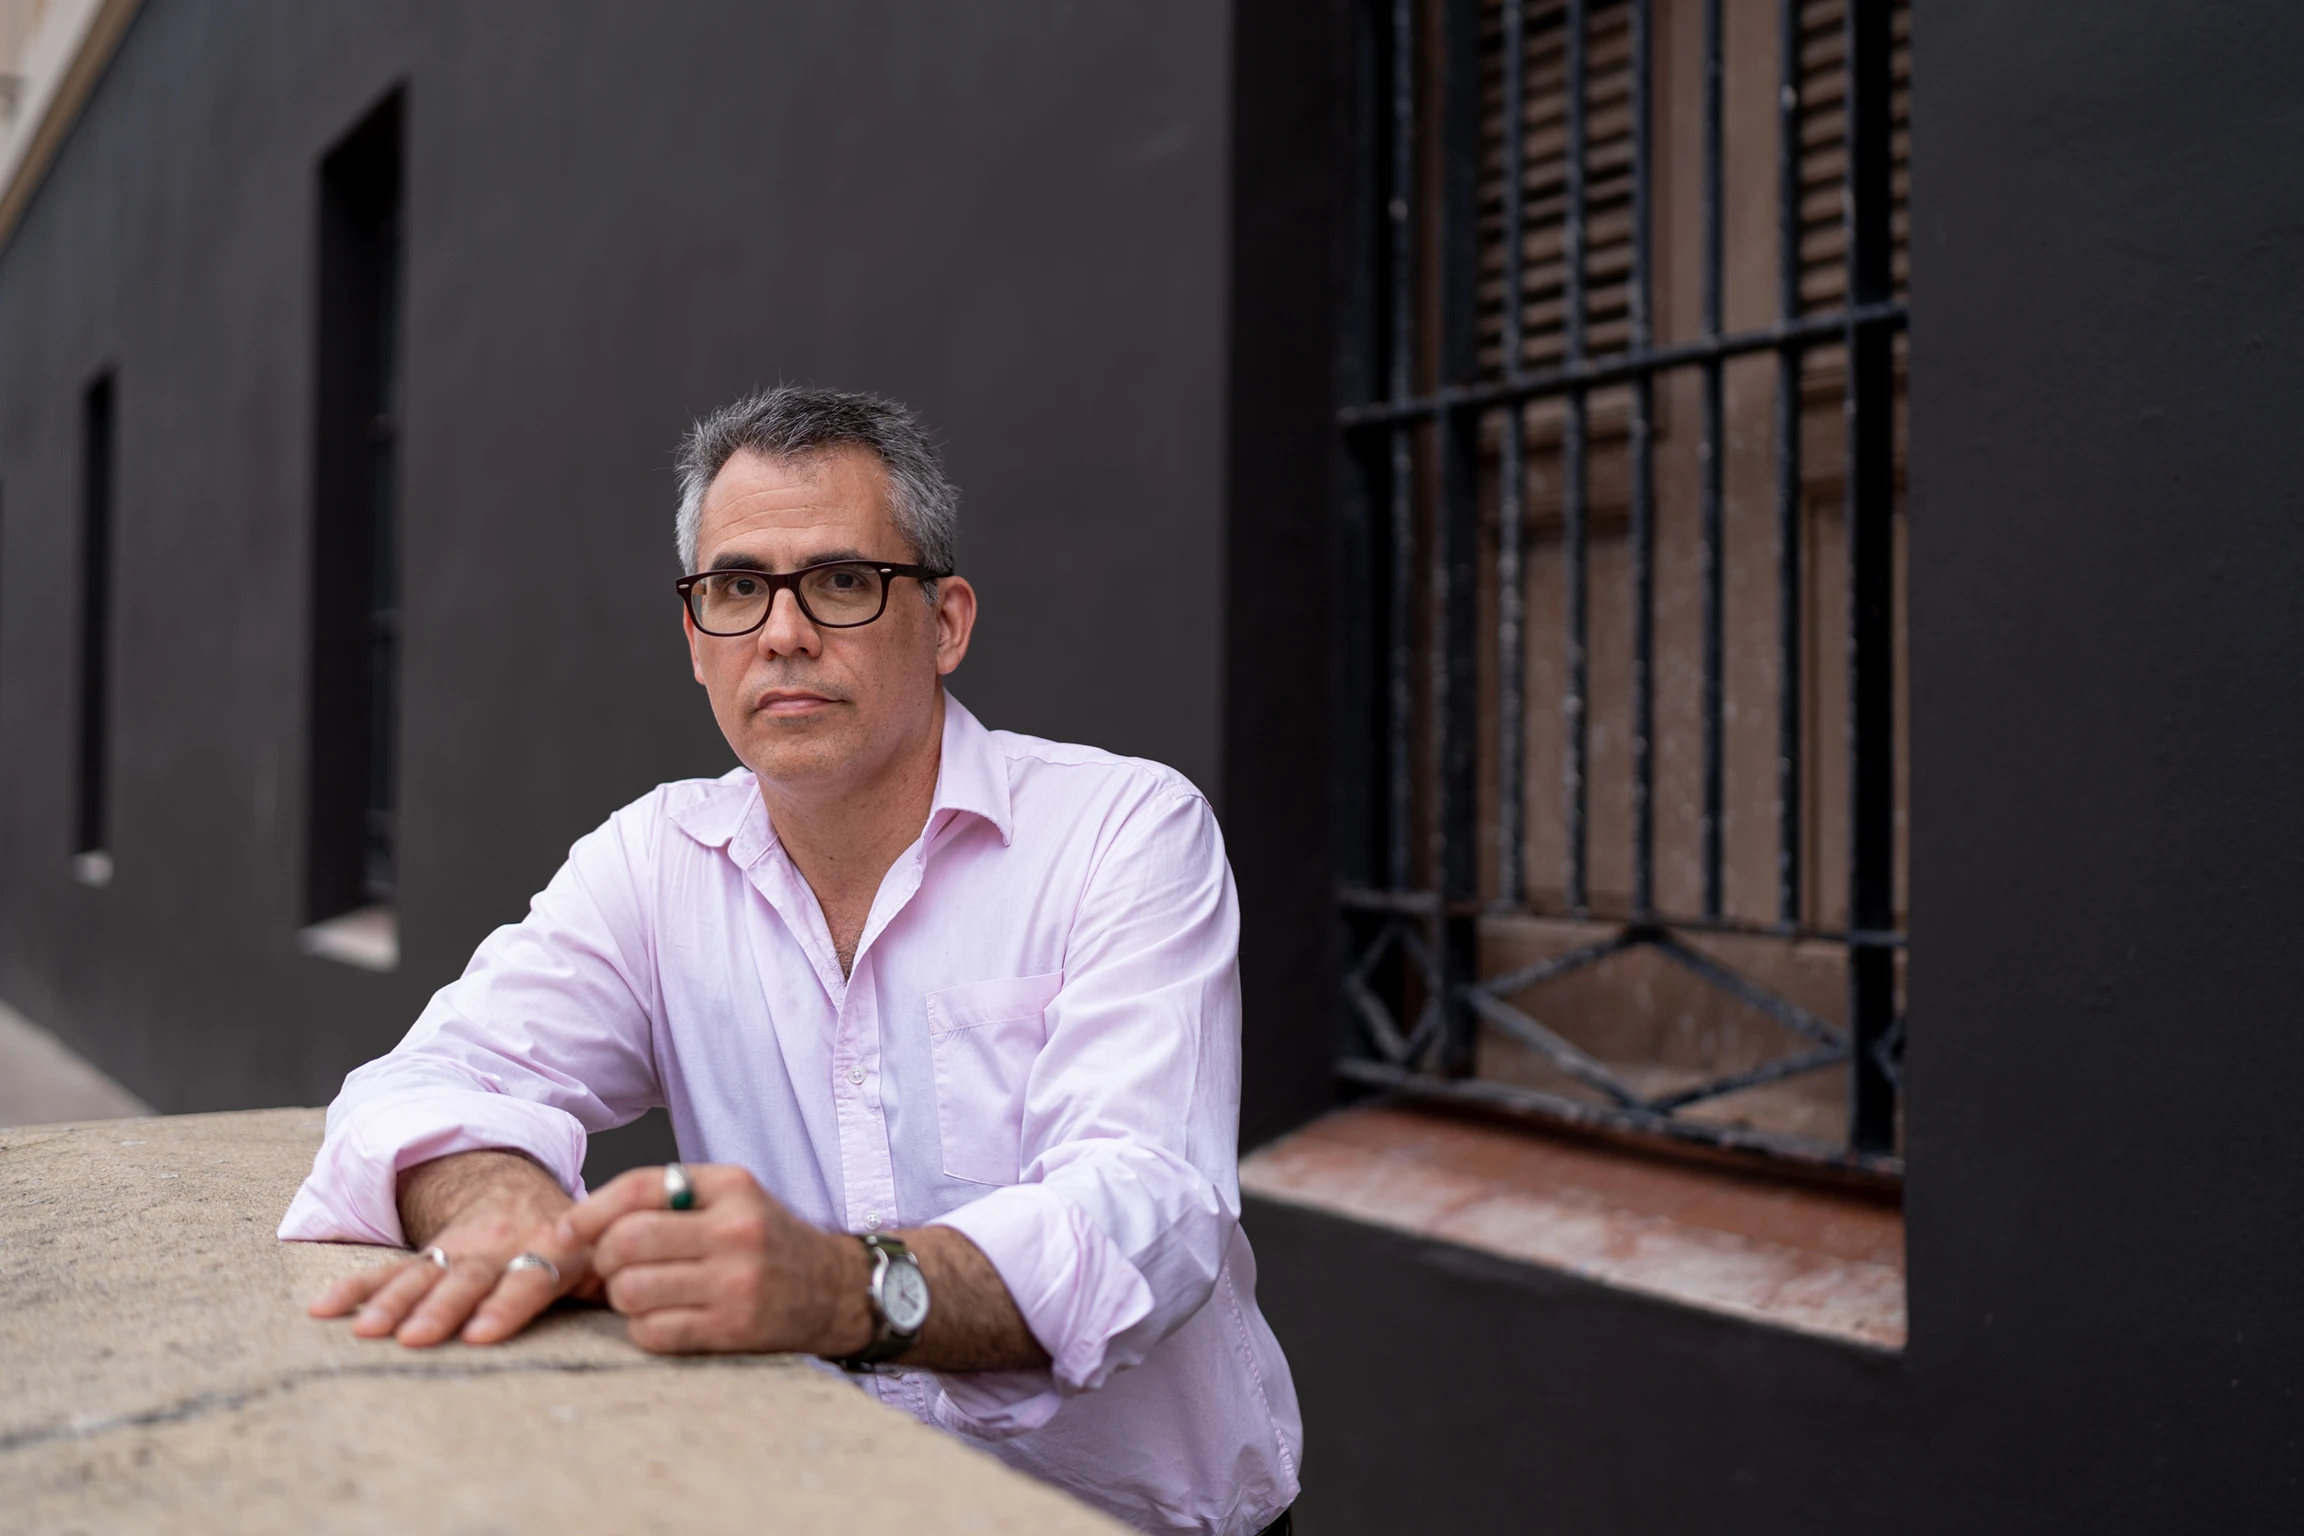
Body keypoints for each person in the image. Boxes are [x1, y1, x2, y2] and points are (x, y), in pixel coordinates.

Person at [279, 387, 1301, 1536]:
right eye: (735, 588)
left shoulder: (1124, 830)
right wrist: (508, 1213)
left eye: (843, 581)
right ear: (695, 640)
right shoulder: (657, 861)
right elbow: (427, 1080)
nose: (781, 633)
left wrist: (839, 1287)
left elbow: (1146, 1215)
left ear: (948, 621)